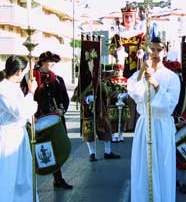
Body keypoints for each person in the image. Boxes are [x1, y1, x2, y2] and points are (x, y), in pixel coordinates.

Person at [127, 37, 180, 202]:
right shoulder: (139, 74)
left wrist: (156, 84)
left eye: (159, 50)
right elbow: (135, 94)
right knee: (143, 168)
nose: (155, 53)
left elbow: (169, 105)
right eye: (152, 49)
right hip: (144, 125)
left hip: (162, 126)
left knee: (162, 169)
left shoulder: (172, 77)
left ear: (165, 52)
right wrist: (142, 71)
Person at [32, 51, 73, 189]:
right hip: (36, 119)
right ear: (43, 62)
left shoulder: (57, 79)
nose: (54, 64)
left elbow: (64, 99)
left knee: (55, 147)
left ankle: (58, 179)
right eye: (51, 61)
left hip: (53, 119)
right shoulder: (31, 78)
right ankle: (30, 183)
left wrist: (62, 109)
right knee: (36, 150)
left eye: (55, 62)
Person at [0, 55, 38, 201]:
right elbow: (20, 111)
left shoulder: (13, 87)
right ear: (18, 72)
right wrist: (31, 92)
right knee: (8, 175)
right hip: (8, 138)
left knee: (22, 175)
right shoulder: (3, 88)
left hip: (18, 136)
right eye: (24, 72)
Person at [74, 62, 121, 161]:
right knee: (88, 133)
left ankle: (107, 152)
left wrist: (118, 95)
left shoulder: (100, 81)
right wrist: (86, 99)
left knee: (107, 130)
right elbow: (76, 97)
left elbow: (108, 92)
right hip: (87, 112)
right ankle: (92, 153)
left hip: (100, 110)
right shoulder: (82, 83)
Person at [109, 6, 146, 132]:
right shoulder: (117, 36)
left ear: (135, 18)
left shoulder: (140, 35)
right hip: (121, 70)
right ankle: (121, 125)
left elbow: (144, 46)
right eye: (126, 17)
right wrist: (116, 51)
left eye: (131, 16)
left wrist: (141, 51)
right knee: (120, 96)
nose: (128, 19)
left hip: (136, 70)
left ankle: (133, 123)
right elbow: (111, 49)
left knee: (135, 95)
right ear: (123, 18)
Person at [163, 56, 186, 194]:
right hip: (164, 127)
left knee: (183, 156)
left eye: (177, 72)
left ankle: (182, 182)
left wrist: (183, 121)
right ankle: (167, 181)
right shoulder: (160, 88)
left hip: (181, 126)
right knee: (164, 156)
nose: (176, 75)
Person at [104, 63, 129, 142]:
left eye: (119, 70)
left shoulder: (126, 80)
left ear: (122, 71)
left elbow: (130, 89)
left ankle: (120, 134)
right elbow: (108, 91)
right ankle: (112, 135)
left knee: (123, 119)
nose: (117, 72)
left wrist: (126, 94)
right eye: (115, 70)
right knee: (112, 120)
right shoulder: (109, 80)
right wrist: (117, 95)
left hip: (124, 102)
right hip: (113, 103)